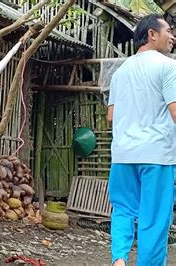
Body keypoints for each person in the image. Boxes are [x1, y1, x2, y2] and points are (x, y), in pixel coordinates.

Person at [106, 14, 176, 266]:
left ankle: (119, 259)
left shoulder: (119, 72)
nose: (173, 36)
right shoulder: (168, 67)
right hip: (157, 155)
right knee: (154, 219)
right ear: (151, 34)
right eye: (169, 30)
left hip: (123, 154)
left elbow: (111, 116)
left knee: (123, 210)